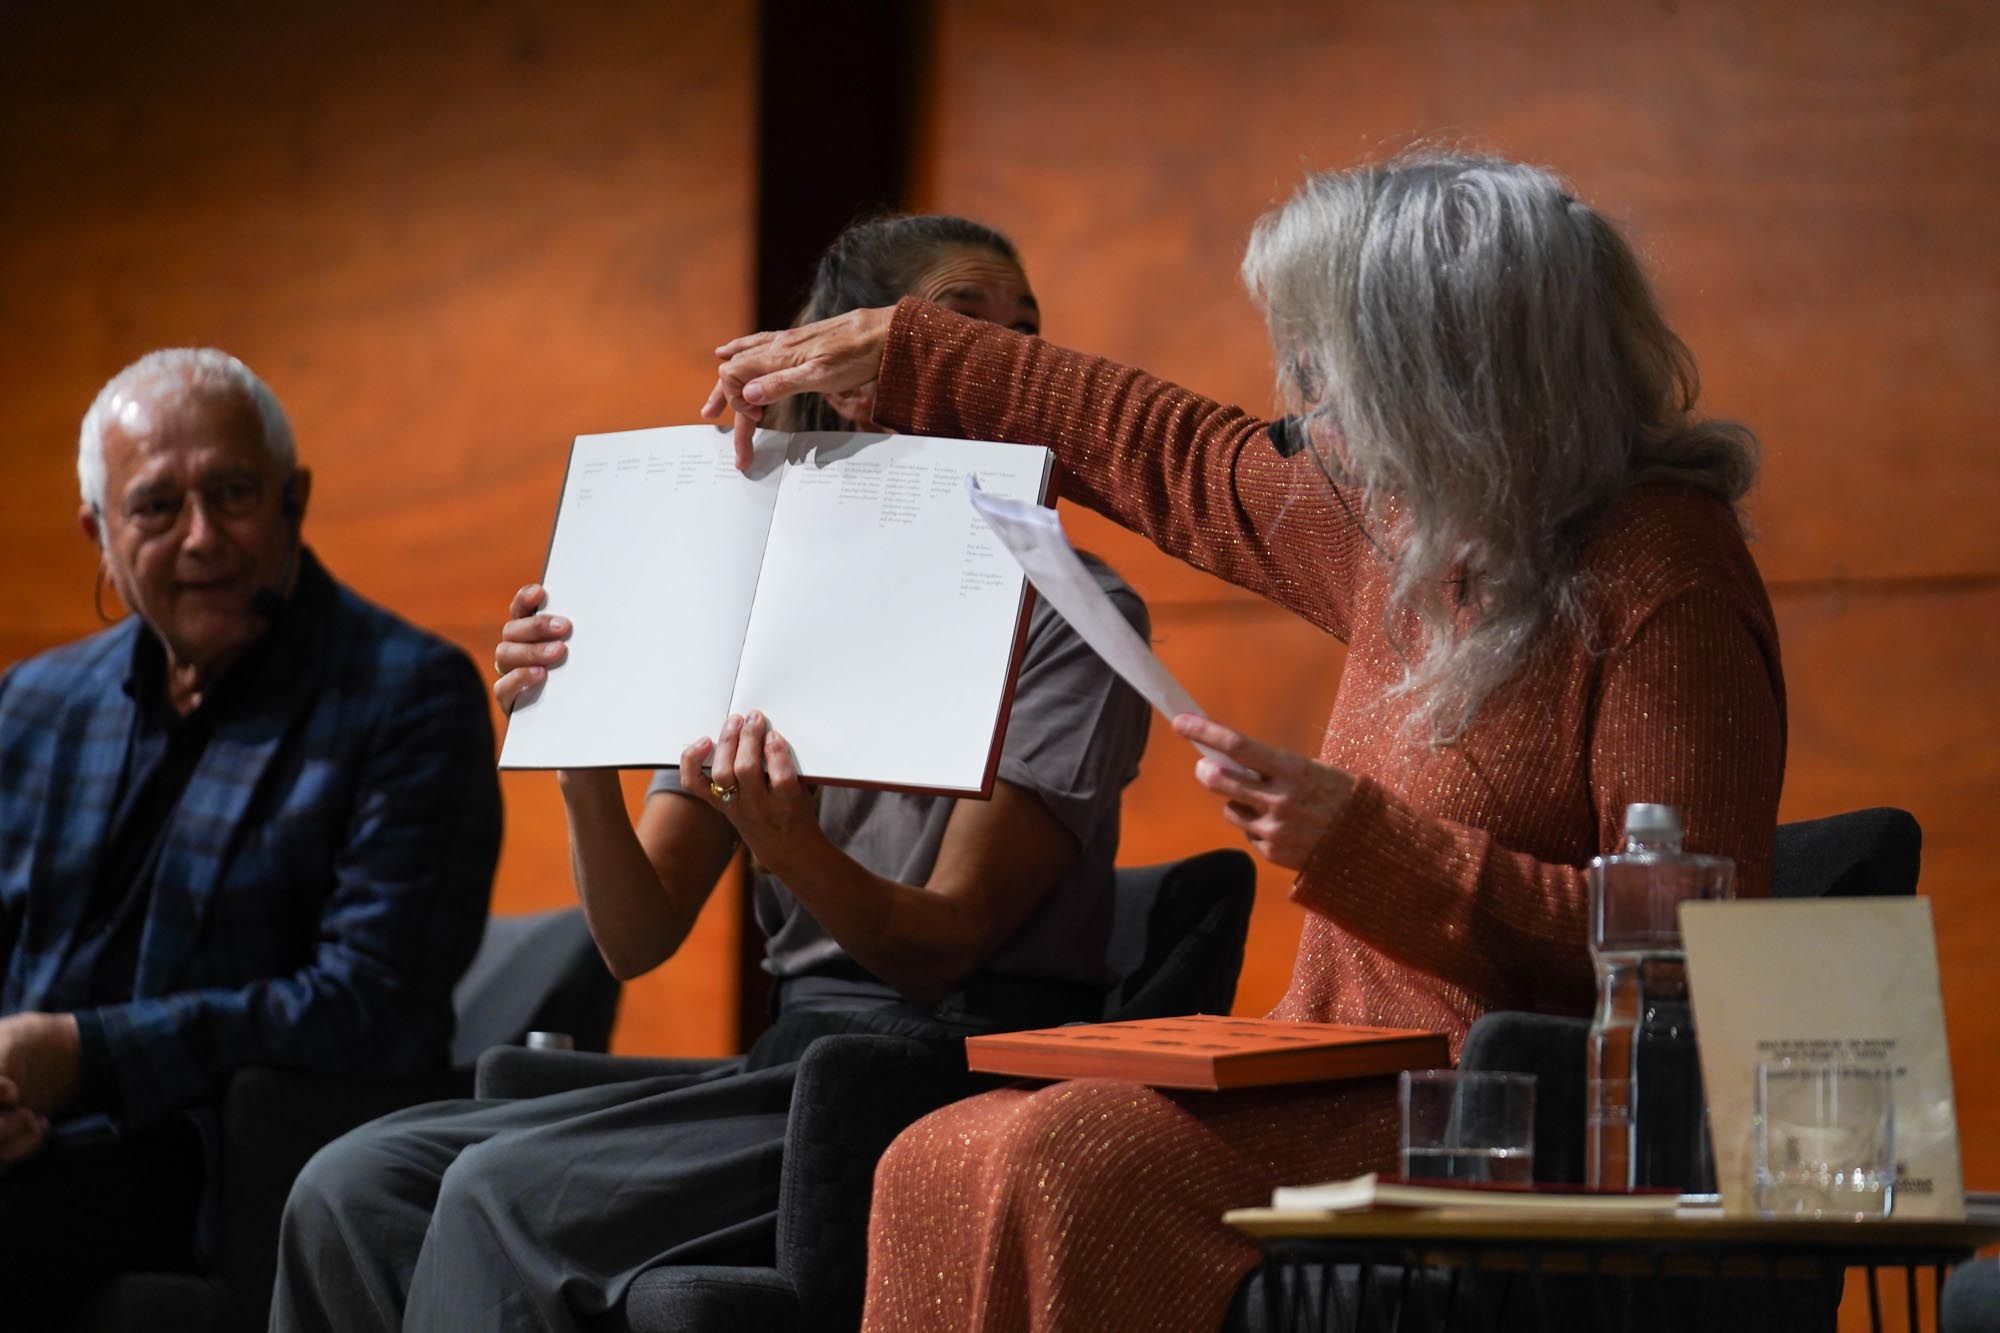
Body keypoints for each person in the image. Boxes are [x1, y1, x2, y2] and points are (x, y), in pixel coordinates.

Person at [704, 151, 1788, 1332]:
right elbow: (1169, 451)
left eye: (1329, 372)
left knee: (1074, 1162)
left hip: (1516, 1099)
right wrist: (914, 356)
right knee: (933, 1154)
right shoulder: (1401, 522)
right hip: (1331, 1063)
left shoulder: (1663, 578)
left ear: (1450, 371)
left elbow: (1697, 960)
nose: (1306, 415)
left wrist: (1366, 843)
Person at [270, 214, 1152, 1333]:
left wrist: (796, 850)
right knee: (352, 1184)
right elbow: (637, 936)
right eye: (965, 328)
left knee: (502, 1196)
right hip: (791, 1063)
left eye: (1026, 336)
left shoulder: (1073, 606)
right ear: (851, 373)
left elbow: (941, 949)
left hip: (941, 1072)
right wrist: (575, 747)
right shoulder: (764, 575)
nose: (1013, 363)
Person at [0, 349, 500, 1322]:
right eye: (153, 507)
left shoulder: (404, 695)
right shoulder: (31, 704)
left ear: (292, 501)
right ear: (99, 534)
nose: (200, 537)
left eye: (232, 493)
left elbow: (376, 1005)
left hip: (208, 1155)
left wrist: (84, 1052)